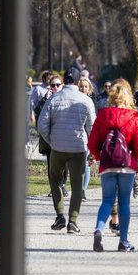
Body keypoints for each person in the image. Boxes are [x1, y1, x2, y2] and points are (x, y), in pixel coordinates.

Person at [87, 79, 138, 252]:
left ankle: (99, 228)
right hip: (126, 164)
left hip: (108, 164)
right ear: (128, 97)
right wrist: (137, 156)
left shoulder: (102, 115)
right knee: (124, 203)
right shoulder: (133, 117)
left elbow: (92, 142)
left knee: (107, 200)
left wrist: (100, 156)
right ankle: (124, 241)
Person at [38, 69, 96, 234]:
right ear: (78, 82)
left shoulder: (54, 98)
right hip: (78, 146)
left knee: (55, 179)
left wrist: (52, 140)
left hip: (58, 146)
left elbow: (42, 124)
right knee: (77, 185)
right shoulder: (86, 100)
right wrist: (92, 148)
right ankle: (73, 221)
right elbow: (92, 127)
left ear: (64, 81)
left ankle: (60, 215)